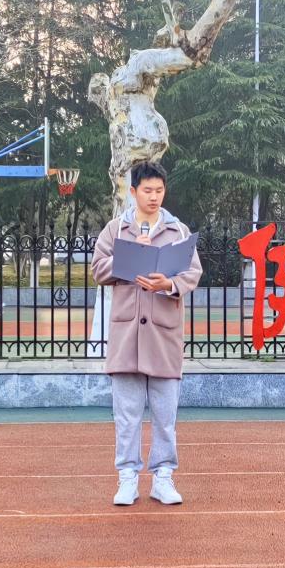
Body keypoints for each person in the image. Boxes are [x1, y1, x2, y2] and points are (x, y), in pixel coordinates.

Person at [90, 161, 202, 505]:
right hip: (126, 338)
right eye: (147, 190)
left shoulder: (178, 230)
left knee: (165, 417)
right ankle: (127, 478)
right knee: (126, 416)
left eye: (159, 190)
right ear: (133, 191)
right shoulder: (116, 229)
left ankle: (163, 478)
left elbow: (193, 272)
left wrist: (168, 283)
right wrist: (127, 259)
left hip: (164, 337)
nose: (154, 197)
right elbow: (98, 269)